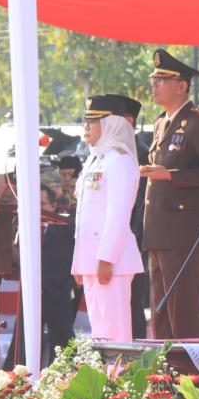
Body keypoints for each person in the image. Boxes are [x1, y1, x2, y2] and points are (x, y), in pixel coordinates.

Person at [141, 49, 199, 339]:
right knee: (161, 311)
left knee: (184, 311)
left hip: (183, 231)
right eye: (154, 79)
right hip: (159, 229)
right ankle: (165, 378)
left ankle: (190, 377)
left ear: (181, 85)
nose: (154, 85)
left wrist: (172, 175)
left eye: (162, 79)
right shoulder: (161, 122)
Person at [71, 95, 143, 341]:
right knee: (99, 332)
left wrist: (105, 259)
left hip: (112, 260)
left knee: (115, 331)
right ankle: (105, 378)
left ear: (111, 124)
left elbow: (118, 216)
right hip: (92, 259)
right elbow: (84, 218)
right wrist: (79, 262)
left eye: (93, 121)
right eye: (85, 120)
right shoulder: (96, 160)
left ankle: (119, 379)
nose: (86, 127)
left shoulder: (120, 161)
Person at [3, 184, 76, 368]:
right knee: (22, 338)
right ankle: (14, 374)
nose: (37, 209)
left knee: (62, 339)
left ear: (52, 206)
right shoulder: (23, 228)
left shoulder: (65, 227)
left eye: (41, 204)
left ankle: (65, 374)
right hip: (30, 292)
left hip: (58, 290)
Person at [108, 93, 150, 340]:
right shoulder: (112, 152)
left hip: (130, 238)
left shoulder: (137, 153)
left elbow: (137, 205)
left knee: (130, 307)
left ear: (127, 121)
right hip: (115, 241)